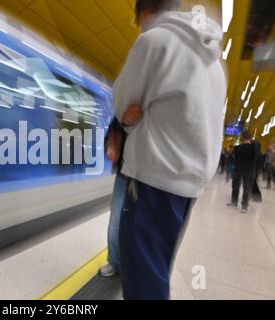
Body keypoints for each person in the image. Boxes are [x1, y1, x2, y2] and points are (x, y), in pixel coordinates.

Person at [113, 0, 226, 299]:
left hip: (153, 178)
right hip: (187, 188)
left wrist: (128, 116)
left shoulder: (154, 41)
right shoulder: (214, 62)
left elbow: (124, 104)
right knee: (157, 268)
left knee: (142, 279)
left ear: (144, 11)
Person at [98, 118, 128, 277]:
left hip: (150, 178)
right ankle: (115, 262)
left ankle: (135, 264)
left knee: (142, 223)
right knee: (116, 220)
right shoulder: (122, 112)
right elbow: (111, 134)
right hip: (125, 173)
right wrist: (111, 145)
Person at [228, 131, 258, 213]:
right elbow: (256, 159)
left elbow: (234, 158)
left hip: (238, 169)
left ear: (242, 137)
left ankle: (234, 203)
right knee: (247, 188)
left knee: (235, 186)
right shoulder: (254, 149)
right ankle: (244, 206)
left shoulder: (237, 148)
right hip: (249, 170)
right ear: (250, 138)